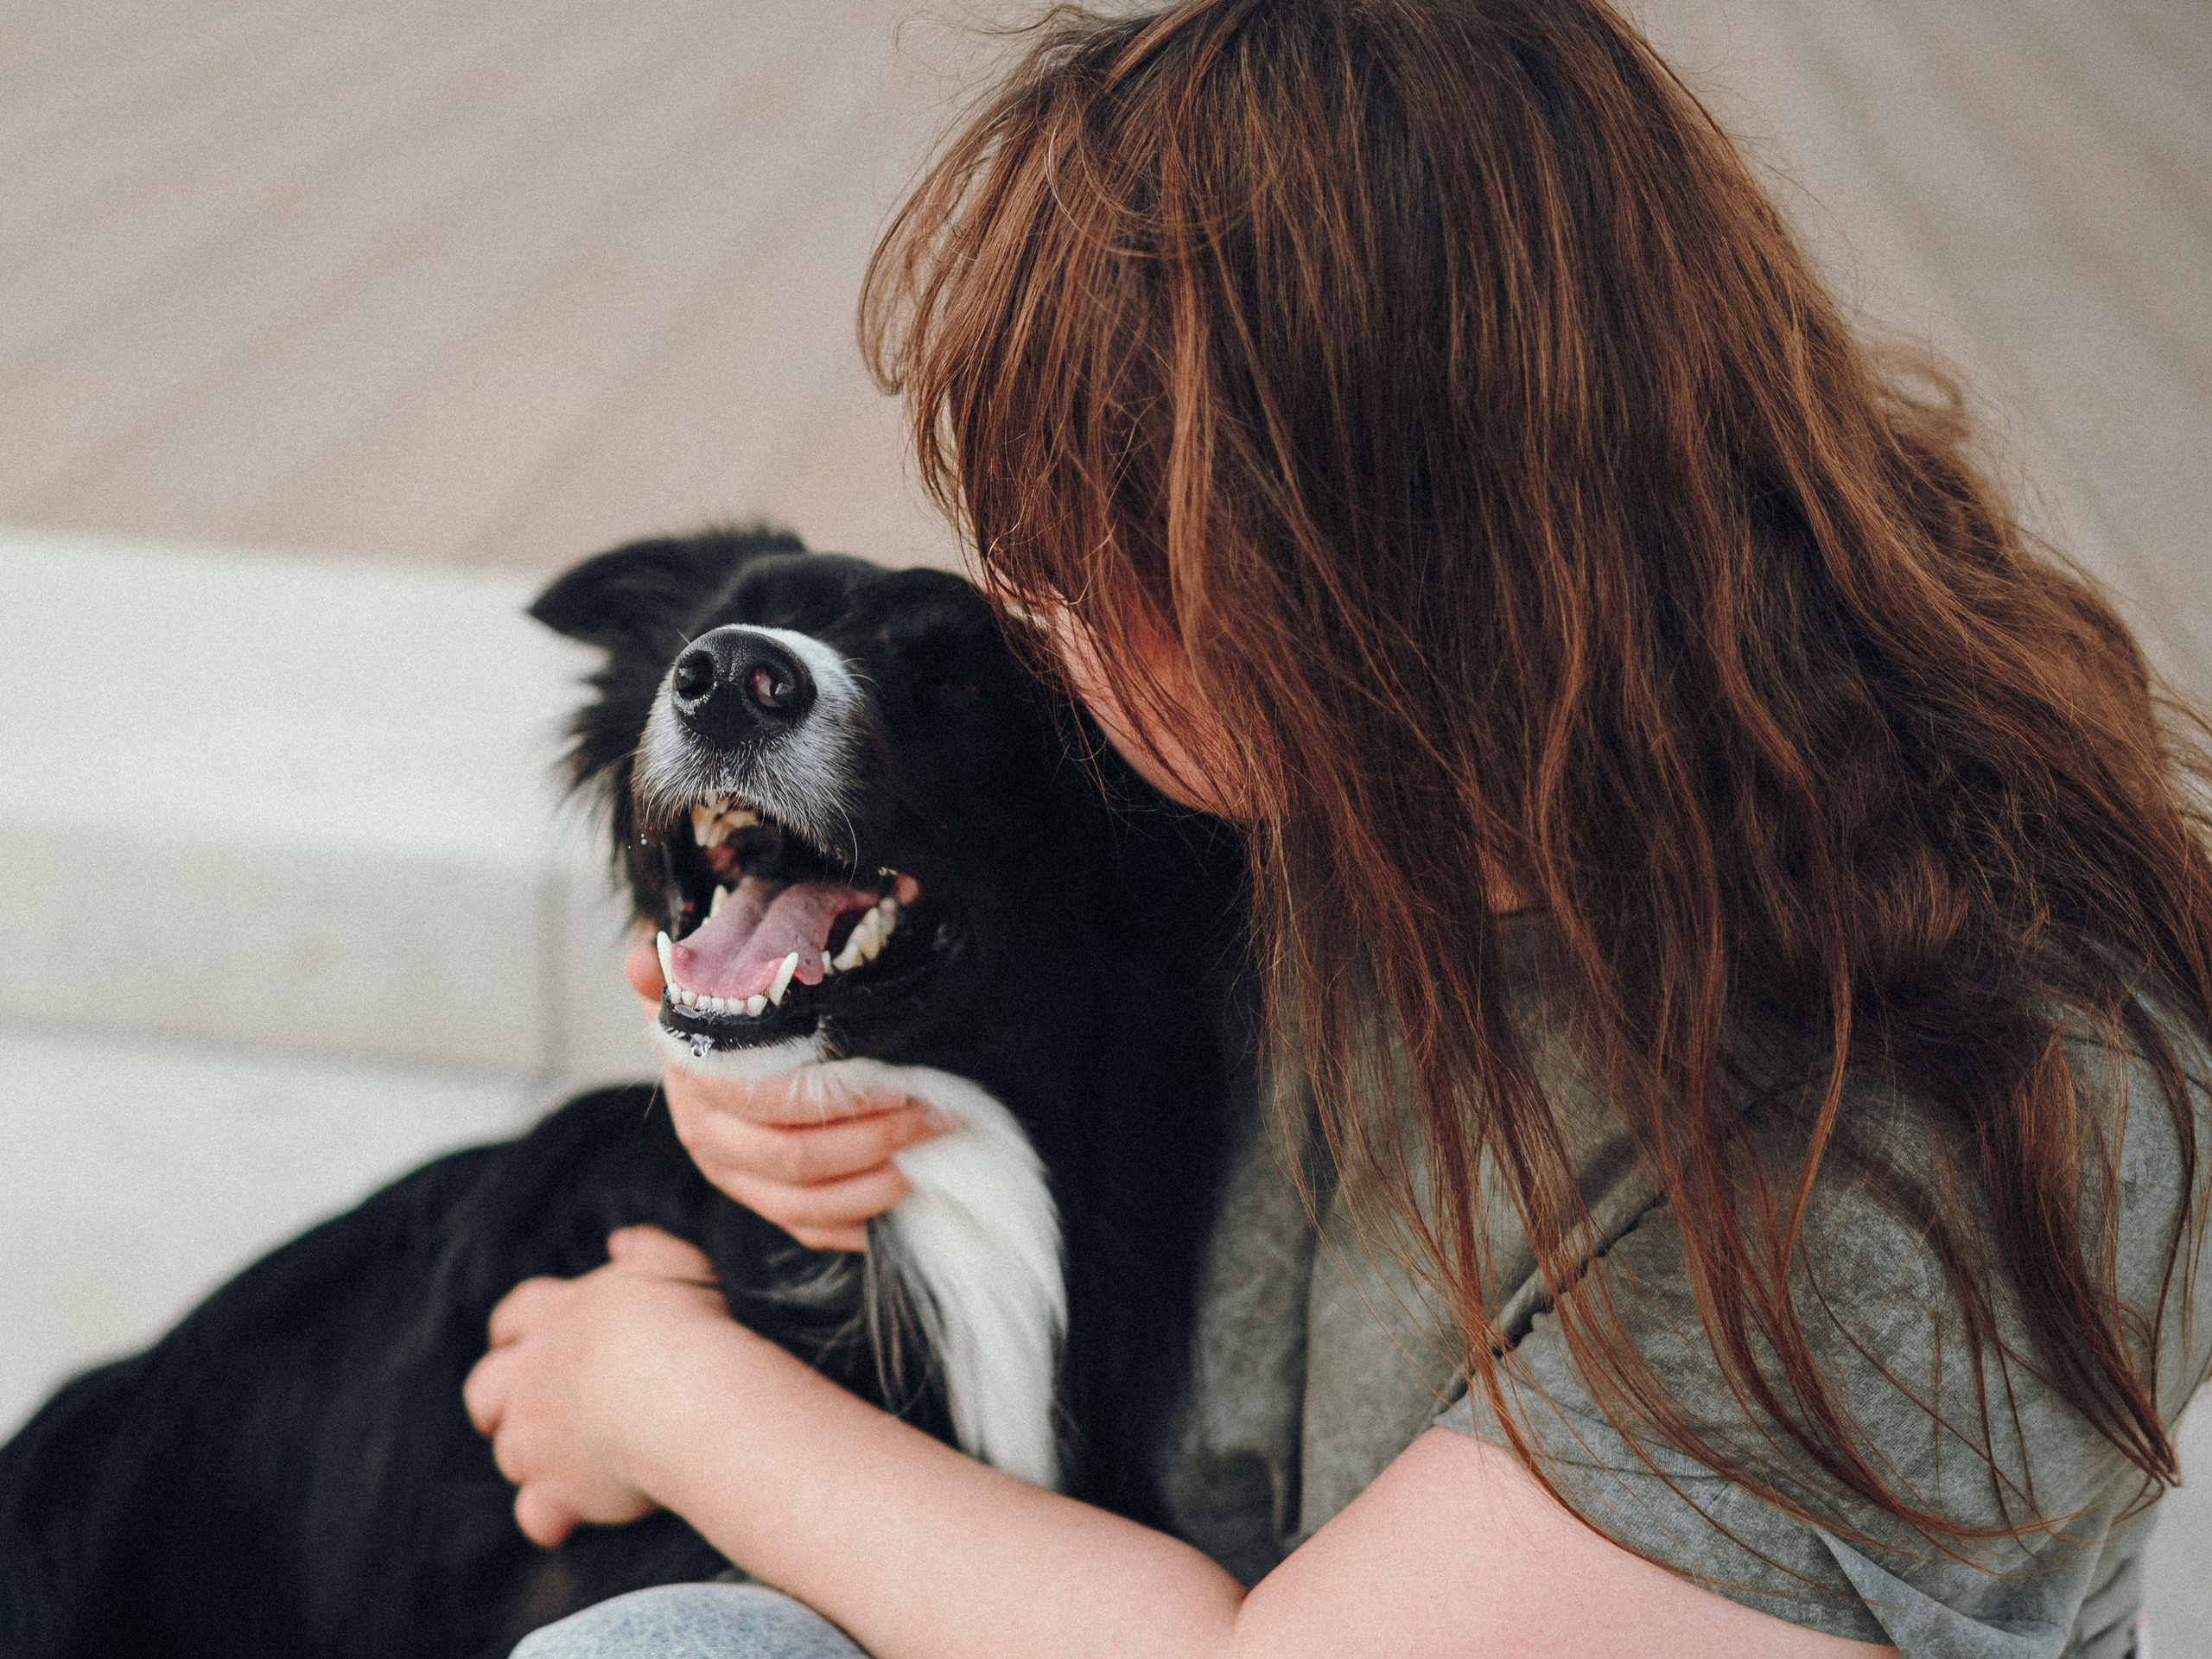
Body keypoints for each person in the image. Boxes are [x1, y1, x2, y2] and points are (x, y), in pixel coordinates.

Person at [461, 3, 2212, 1654]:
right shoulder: (1341, 778)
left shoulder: (1961, 1109)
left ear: (1372, 556)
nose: (1032, 614)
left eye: (1091, 554)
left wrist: (670, 1400)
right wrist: (764, 1045)